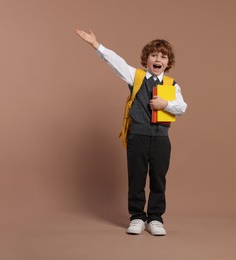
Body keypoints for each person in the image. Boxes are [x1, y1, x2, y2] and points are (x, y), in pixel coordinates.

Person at [75, 30, 187, 236]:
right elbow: (115, 62)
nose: (158, 59)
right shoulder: (135, 77)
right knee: (136, 177)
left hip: (161, 139)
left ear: (168, 63)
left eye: (163, 56)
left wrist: (165, 104)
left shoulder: (172, 85)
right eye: (154, 55)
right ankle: (137, 217)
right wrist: (96, 44)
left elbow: (182, 107)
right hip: (138, 136)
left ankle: (155, 219)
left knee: (158, 179)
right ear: (146, 59)